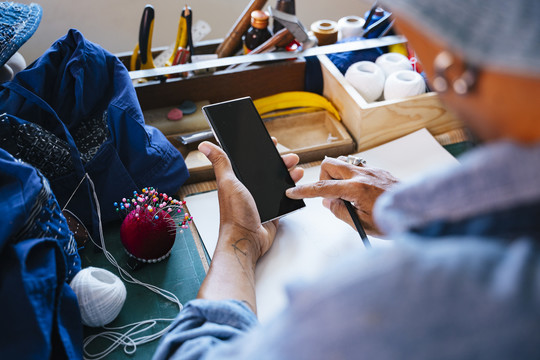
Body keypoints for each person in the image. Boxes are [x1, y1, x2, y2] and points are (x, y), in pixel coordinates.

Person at [153, 0, 540, 358]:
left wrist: (239, 236)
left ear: (454, 58)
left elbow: (190, 353)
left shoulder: (394, 300)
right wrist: (420, 210)